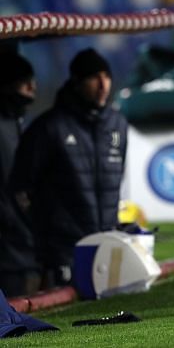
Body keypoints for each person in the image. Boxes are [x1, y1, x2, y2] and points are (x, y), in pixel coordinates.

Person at [10, 48, 127, 287]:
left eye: (106, 76)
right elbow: (20, 188)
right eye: (94, 78)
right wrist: (44, 236)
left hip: (106, 249)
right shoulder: (48, 128)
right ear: (76, 82)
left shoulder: (118, 125)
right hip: (61, 254)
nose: (103, 85)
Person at [0, 53, 39, 297]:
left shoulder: (18, 121)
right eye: (24, 81)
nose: (32, 87)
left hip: (22, 243)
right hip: (9, 248)